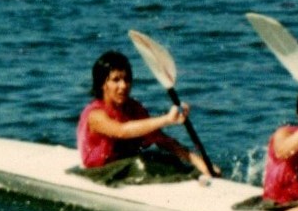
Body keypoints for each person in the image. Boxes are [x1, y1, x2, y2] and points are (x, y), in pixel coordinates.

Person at [77, 50, 211, 184]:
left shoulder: (134, 108)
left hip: (126, 166)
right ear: (102, 84)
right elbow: (121, 131)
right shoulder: (95, 115)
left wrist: (198, 162)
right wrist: (167, 119)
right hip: (98, 173)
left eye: (127, 79)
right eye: (116, 80)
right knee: (141, 163)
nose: (123, 86)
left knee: (165, 159)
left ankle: (200, 176)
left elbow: (161, 139)